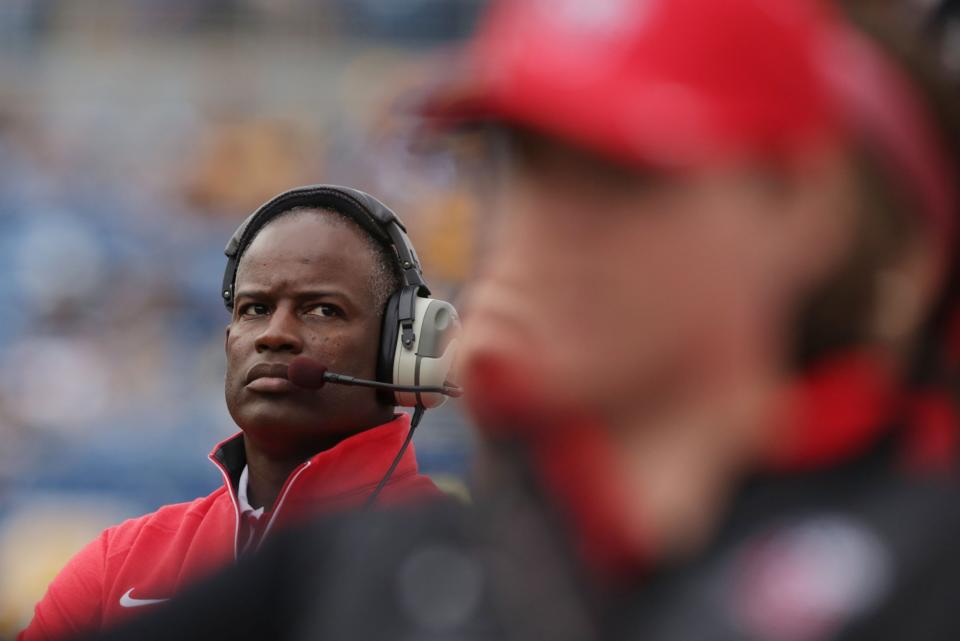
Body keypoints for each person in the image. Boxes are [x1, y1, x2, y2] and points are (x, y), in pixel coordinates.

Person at [79, 0, 960, 640]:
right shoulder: (379, 570)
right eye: (527, 163)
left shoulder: (924, 562)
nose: (550, 222)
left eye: (623, 172)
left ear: (801, 206)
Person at [18, 185, 457, 641]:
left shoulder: (473, 572)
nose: (274, 335)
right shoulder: (115, 565)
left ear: (401, 349)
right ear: (227, 340)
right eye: (255, 309)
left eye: (323, 310)